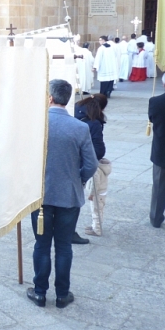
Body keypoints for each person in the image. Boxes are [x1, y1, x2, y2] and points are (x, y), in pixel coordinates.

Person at [27, 79, 98, 310]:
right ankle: (62, 294)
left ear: (50, 97)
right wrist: (78, 179)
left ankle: (39, 292)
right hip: (68, 195)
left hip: (41, 195)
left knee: (42, 244)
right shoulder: (80, 127)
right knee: (64, 246)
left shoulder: (36, 124)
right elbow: (91, 164)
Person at [74, 95, 111, 237]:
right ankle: (96, 227)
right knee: (97, 195)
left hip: (69, 160)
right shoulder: (94, 123)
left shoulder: (75, 111)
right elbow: (98, 150)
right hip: (86, 163)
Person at [149, 72, 165, 228]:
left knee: (159, 186)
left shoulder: (155, 102)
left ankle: (156, 218)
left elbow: (151, 118)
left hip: (162, 150)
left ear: (164, 84)